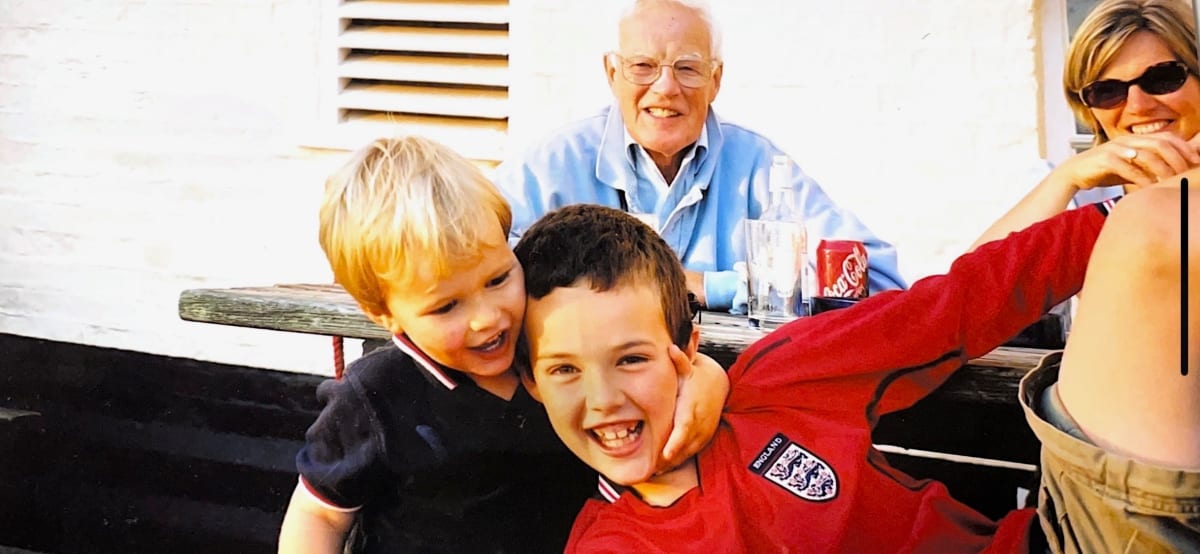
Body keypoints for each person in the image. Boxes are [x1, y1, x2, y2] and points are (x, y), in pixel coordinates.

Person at [512, 178, 1197, 552]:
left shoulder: (777, 377)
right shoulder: (613, 545)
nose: (603, 398)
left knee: (1160, 220)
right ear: (532, 384)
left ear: (688, 350)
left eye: (631, 358)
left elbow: (950, 310)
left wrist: (1105, 211)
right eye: (565, 369)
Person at [275, 136, 728, 553]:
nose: (487, 317)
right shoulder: (377, 395)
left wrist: (709, 378)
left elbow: (652, 359)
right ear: (384, 313)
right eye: (447, 306)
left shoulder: (552, 357)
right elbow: (320, 514)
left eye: (498, 279)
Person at [491, 0, 905, 314]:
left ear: (715, 80)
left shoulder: (758, 166)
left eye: (687, 68)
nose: (666, 87)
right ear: (612, 74)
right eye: (643, 66)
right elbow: (484, 267)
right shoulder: (554, 165)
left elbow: (876, 279)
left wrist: (711, 286)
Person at [972, 0, 1200, 249]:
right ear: (1089, 111)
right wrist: (1064, 179)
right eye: (1107, 91)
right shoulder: (1074, 197)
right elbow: (975, 273)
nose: (1138, 106)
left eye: (1162, 78)